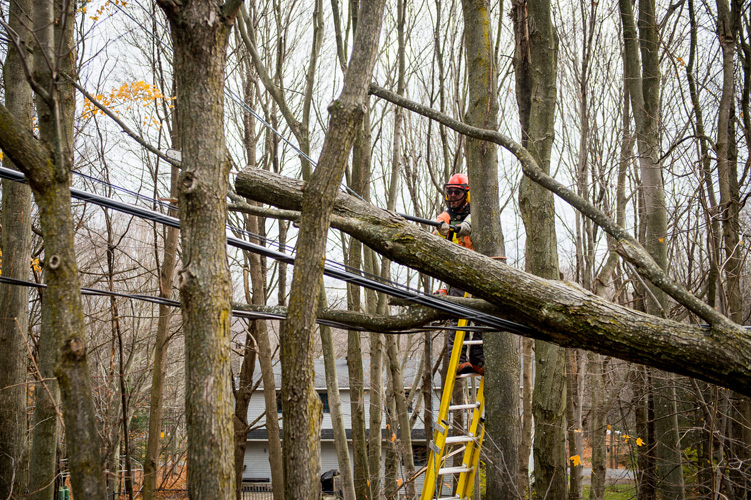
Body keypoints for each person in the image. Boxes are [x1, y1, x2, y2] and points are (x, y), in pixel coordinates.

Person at [435, 173, 484, 376]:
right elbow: (437, 232)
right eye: (450, 192)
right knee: (459, 317)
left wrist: (467, 226)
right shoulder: (445, 217)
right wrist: (443, 229)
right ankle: (459, 360)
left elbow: (474, 221)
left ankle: (479, 360)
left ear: (466, 194)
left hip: (480, 271)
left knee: (482, 318)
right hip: (457, 273)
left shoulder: (476, 214)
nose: (453, 196)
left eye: (457, 192)